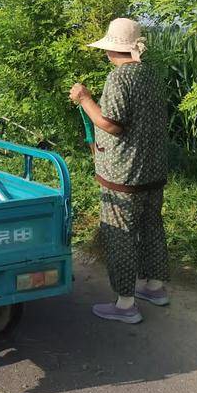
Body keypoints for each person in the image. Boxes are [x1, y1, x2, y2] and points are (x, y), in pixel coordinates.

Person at [70, 17, 169, 324]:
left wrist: (84, 99)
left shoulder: (119, 78)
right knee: (152, 224)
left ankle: (125, 304)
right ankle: (155, 287)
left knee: (121, 234)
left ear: (112, 50)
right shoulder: (150, 73)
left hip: (123, 172)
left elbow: (111, 124)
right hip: (153, 168)